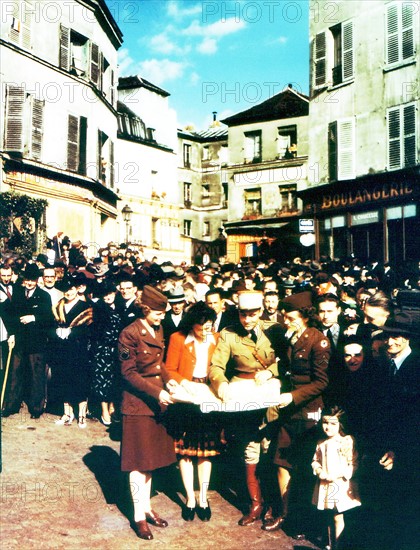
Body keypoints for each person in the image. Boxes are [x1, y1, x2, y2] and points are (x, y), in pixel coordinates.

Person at [209, 290, 281, 527]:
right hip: (243, 396)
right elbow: (217, 366)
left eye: (252, 314)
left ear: (260, 312)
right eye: (243, 314)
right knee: (250, 451)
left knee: (270, 450)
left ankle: (274, 504)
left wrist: (270, 371)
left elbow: (288, 361)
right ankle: (255, 503)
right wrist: (221, 384)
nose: (247, 319)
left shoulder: (274, 330)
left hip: (270, 393)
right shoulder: (229, 334)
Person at [264, 291, 330, 536]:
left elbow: (321, 382)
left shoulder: (318, 341)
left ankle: (302, 520)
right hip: (289, 411)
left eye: (290, 317)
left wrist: (292, 396)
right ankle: (284, 512)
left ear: (304, 316)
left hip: (308, 412)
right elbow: (285, 365)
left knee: (303, 467)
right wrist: (270, 373)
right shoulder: (291, 336)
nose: (286, 321)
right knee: (281, 461)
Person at [118, 285, 176, 540]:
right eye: (157, 313)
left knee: (150, 461)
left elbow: (158, 363)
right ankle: (138, 517)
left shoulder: (158, 328)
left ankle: (147, 507)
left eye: (163, 314)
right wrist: (157, 391)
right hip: (138, 405)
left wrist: (169, 379)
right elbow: (128, 373)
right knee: (138, 462)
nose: (161, 318)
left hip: (157, 402)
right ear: (145, 309)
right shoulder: (128, 334)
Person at [164, 302, 219, 522]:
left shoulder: (216, 338)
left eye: (209, 324)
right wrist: (185, 383)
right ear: (192, 323)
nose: (206, 329)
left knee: (206, 452)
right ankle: (190, 498)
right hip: (186, 396)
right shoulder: (178, 338)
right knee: (185, 451)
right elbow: (169, 369)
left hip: (208, 395)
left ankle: (204, 497)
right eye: (202, 325)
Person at [2, 263, 53, 418]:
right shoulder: (17, 293)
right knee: (15, 373)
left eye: (33, 280)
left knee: (35, 375)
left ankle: (36, 408)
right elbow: (10, 315)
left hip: (36, 342)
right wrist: (11, 334)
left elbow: (49, 319)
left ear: (37, 280)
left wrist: (34, 317)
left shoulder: (44, 296)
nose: (30, 283)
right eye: (27, 280)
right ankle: (11, 405)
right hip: (19, 340)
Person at [312, 407, 361, 550]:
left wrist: (341, 475)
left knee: (338, 516)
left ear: (341, 425)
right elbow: (315, 460)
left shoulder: (346, 441)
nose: (327, 427)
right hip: (325, 484)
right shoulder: (321, 443)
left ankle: (338, 545)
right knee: (329, 514)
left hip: (340, 485)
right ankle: (331, 543)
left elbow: (354, 463)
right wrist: (319, 470)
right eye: (325, 422)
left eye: (333, 424)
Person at [49, 276, 92, 428]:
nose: (68, 293)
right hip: (61, 349)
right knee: (63, 380)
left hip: (78, 350)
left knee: (79, 381)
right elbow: (50, 325)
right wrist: (57, 331)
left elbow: (89, 330)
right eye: (66, 290)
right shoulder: (58, 305)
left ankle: (81, 415)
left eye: (71, 289)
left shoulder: (85, 307)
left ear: (76, 290)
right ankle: (67, 413)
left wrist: (72, 332)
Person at [90, 279, 123, 425]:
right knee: (102, 380)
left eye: (110, 293)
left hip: (119, 349)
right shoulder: (98, 308)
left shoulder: (121, 306)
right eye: (105, 294)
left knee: (116, 378)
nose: (108, 297)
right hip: (103, 349)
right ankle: (104, 410)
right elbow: (95, 331)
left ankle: (112, 407)